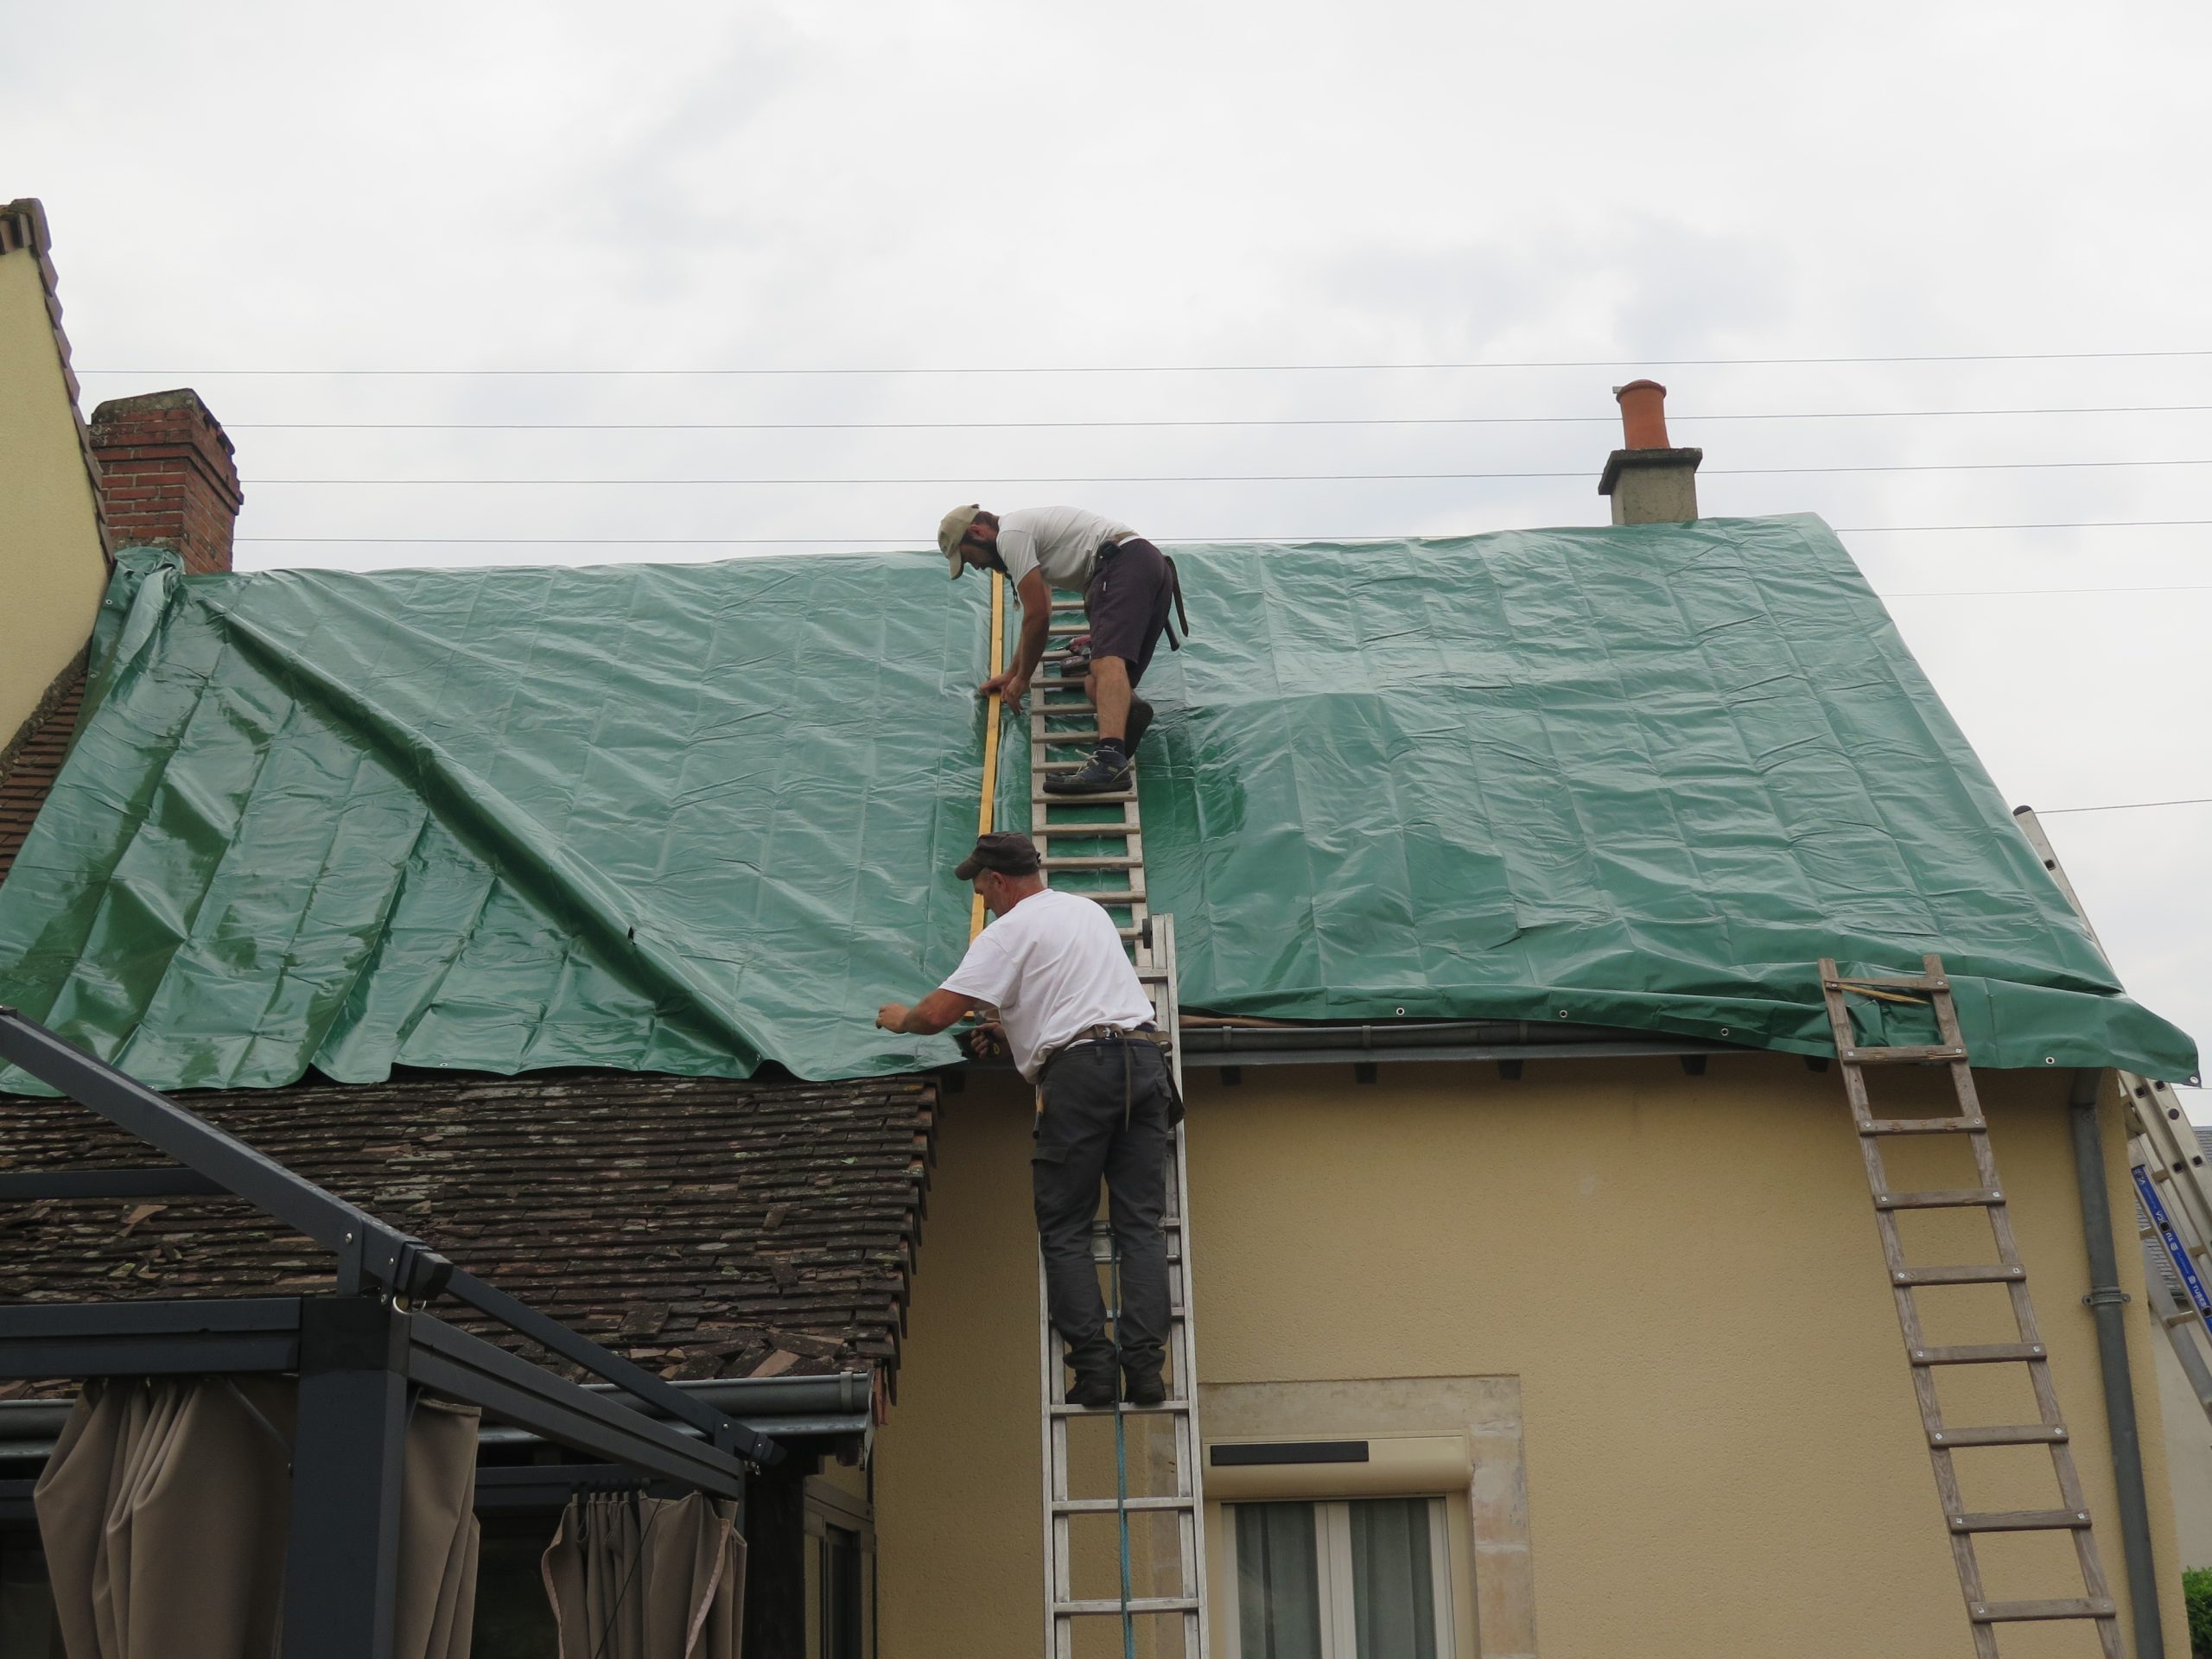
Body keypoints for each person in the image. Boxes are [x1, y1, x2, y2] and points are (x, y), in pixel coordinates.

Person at [874, 831, 1179, 1408]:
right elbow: (1065, 992)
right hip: (1142, 1062)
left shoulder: (1008, 931)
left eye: (982, 887)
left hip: (1080, 1075)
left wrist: (899, 1020)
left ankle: (1093, 1374)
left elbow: (937, 1015)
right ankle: (1144, 1375)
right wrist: (1012, 1025)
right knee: (1140, 1227)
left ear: (999, 881)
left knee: (1066, 1229)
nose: (982, 899)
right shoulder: (1086, 912)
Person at [937, 504, 1185, 796]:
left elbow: (1037, 616)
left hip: (1120, 563)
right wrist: (1013, 672)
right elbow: (1041, 609)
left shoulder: (1011, 535)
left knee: (1106, 661)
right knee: (1099, 682)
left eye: (968, 557)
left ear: (977, 532)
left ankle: (1109, 762)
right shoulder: (1025, 539)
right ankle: (1128, 711)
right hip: (1148, 568)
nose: (977, 567)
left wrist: (1022, 680)